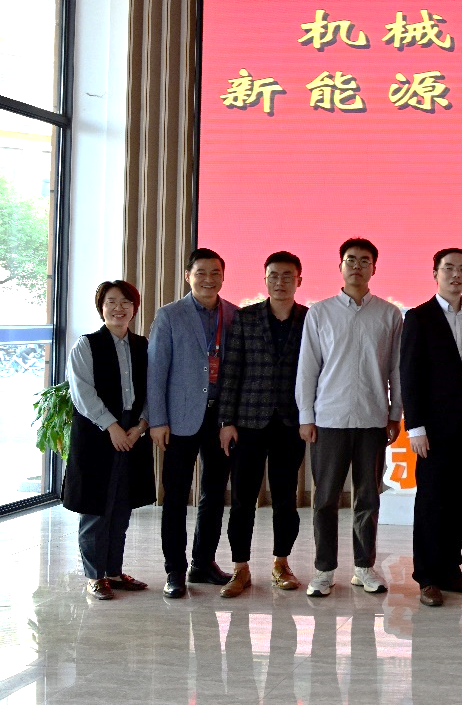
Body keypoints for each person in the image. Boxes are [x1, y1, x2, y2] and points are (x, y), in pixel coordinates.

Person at [296, 237, 402, 597]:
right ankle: (324, 570)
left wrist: (395, 413)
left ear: (374, 267)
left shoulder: (389, 314)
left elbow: (396, 369)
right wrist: (306, 415)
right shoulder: (320, 313)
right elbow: (308, 369)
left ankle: (364, 568)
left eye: (364, 261)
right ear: (340, 266)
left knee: (368, 498)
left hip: (373, 419)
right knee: (325, 498)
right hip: (329, 419)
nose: (357, 266)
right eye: (351, 260)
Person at [400, 248, 462, 608]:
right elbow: (409, 374)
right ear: (435, 273)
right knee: (431, 501)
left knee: (458, 500)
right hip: (432, 428)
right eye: (449, 268)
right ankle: (427, 577)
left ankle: (450, 570)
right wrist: (415, 427)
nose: (456, 274)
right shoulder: (418, 317)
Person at [216, 251, 309, 597]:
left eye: (287, 276)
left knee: (285, 498)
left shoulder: (309, 319)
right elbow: (231, 371)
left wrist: (310, 417)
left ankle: (281, 563)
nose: (280, 282)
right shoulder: (246, 317)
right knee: (242, 499)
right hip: (248, 422)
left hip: (290, 422)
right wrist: (226, 420)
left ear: (299, 280)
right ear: (265, 279)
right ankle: (239, 568)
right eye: (273, 276)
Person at [148, 247, 239, 598]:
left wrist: (230, 418)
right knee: (175, 496)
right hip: (179, 418)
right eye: (201, 272)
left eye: (215, 272)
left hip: (220, 418)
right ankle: (174, 570)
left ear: (223, 276)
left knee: (214, 494)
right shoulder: (169, 315)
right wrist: (158, 420)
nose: (208, 279)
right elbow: (156, 372)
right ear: (188, 276)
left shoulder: (234, 315)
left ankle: (203, 563)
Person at [64, 280, 155, 600]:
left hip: (133, 432)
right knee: (96, 508)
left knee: (121, 507)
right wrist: (112, 427)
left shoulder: (143, 345)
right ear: (101, 308)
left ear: (134, 308)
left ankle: (114, 572)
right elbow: (82, 393)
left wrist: (141, 426)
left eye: (126, 302)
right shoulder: (86, 345)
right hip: (97, 433)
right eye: (111, 302)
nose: (119, 308)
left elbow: (152, 389)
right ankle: (94, 576)